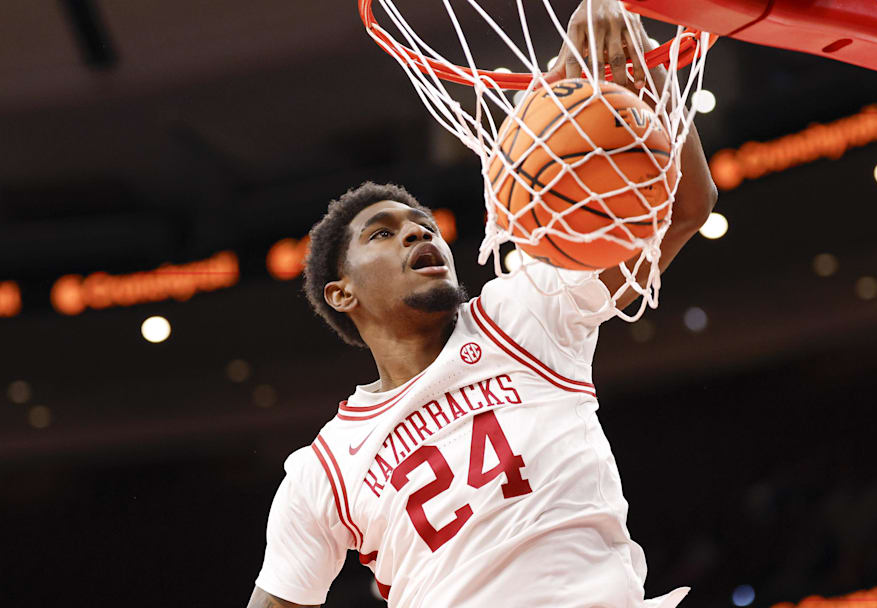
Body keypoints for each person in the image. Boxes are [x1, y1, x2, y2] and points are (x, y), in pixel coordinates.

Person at [247, 1, 717, 605]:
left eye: (423, 224)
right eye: (382, 233)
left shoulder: (524, 316)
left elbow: (684, 207)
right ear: (342, 293)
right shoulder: (326, 471)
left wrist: (634, 66)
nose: (418, 233)